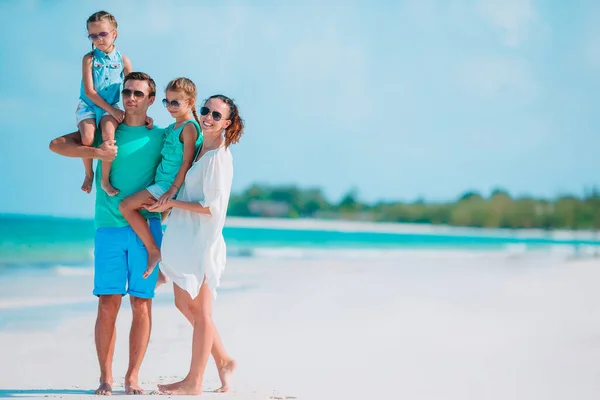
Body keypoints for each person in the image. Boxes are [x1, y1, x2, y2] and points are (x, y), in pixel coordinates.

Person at [49, 72, 164, 396]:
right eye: (127, 91)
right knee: (108, 303)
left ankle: (133, 377)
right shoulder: (104, 130)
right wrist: (98, 154)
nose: (131, 98)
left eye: (139, 93)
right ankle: (105, 378)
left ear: (150, 99)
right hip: (108, 228)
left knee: (142, 304)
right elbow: (56, 145)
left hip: (146, 229)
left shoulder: (161, 135)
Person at [148, 95, 245, 395]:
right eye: (205, 111)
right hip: (183, 238)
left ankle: (195, 381)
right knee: (183, 303)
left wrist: (172, 201)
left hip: (202, 242)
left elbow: (211, 208)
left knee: (202, 313)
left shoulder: (218, 158)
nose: (208, 117)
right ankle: (224, 359)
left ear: (227, 123)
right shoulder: (203, 145)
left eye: (216, 115)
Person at [119, 78, 203, 282]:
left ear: (190, 103)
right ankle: (163, 271)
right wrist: (148, 120)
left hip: (168, 185)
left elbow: (186, 162)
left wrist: (170, 192)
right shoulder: (173, 127)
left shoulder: (189, 127)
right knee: (152, 219)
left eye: (176, 102)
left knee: (126, 206)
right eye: (167, 102)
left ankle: (154, 251)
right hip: (163, 182)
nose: (170, 107)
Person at [77, 10, 150, 196]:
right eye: (93, 36)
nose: (98, 39)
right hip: (89, 105)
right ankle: (88, 173)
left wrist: (143, 114)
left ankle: (104, 180)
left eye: (103, 34)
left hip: (111, 106)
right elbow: (89, 91)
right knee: (87, 138)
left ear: (114, 33)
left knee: (109, 137)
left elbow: (133, 89)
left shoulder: (122, 60)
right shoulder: (89, 59)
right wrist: (111, 110)